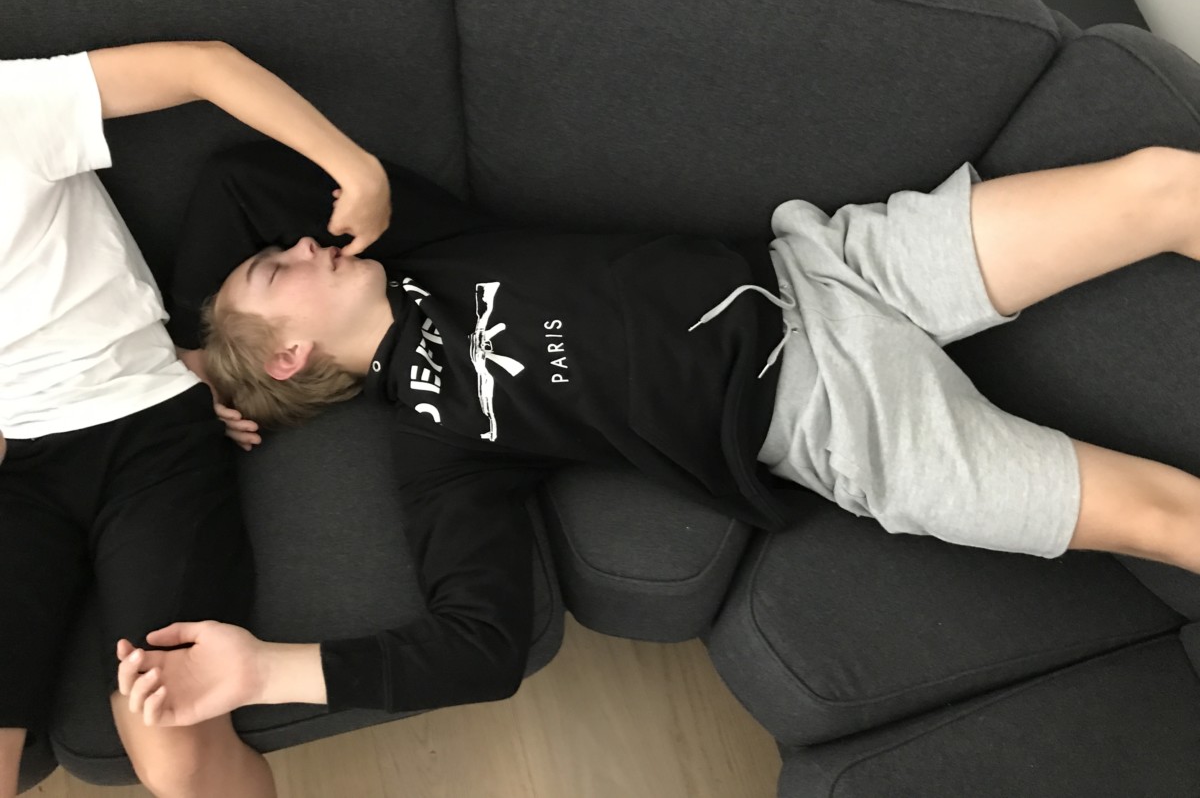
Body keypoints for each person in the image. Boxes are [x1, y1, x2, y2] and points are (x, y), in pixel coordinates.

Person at [116, 138, 1200, 728]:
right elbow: (479, 646)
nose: (306, 244)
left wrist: (188, 361)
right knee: (1166, 517)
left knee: (1162, 184)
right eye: (278, 268)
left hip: (833, 270)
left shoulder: (427, 244)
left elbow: (234, 176)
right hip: (844, 423)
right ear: (292, 356)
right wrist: (264, 672)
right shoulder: (440, 443)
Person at [0, 43, 390, 798]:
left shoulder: (11, 104)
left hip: (150, 429)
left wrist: (357, 169)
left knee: (172, 741)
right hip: (18, 472)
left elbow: (203, 66)